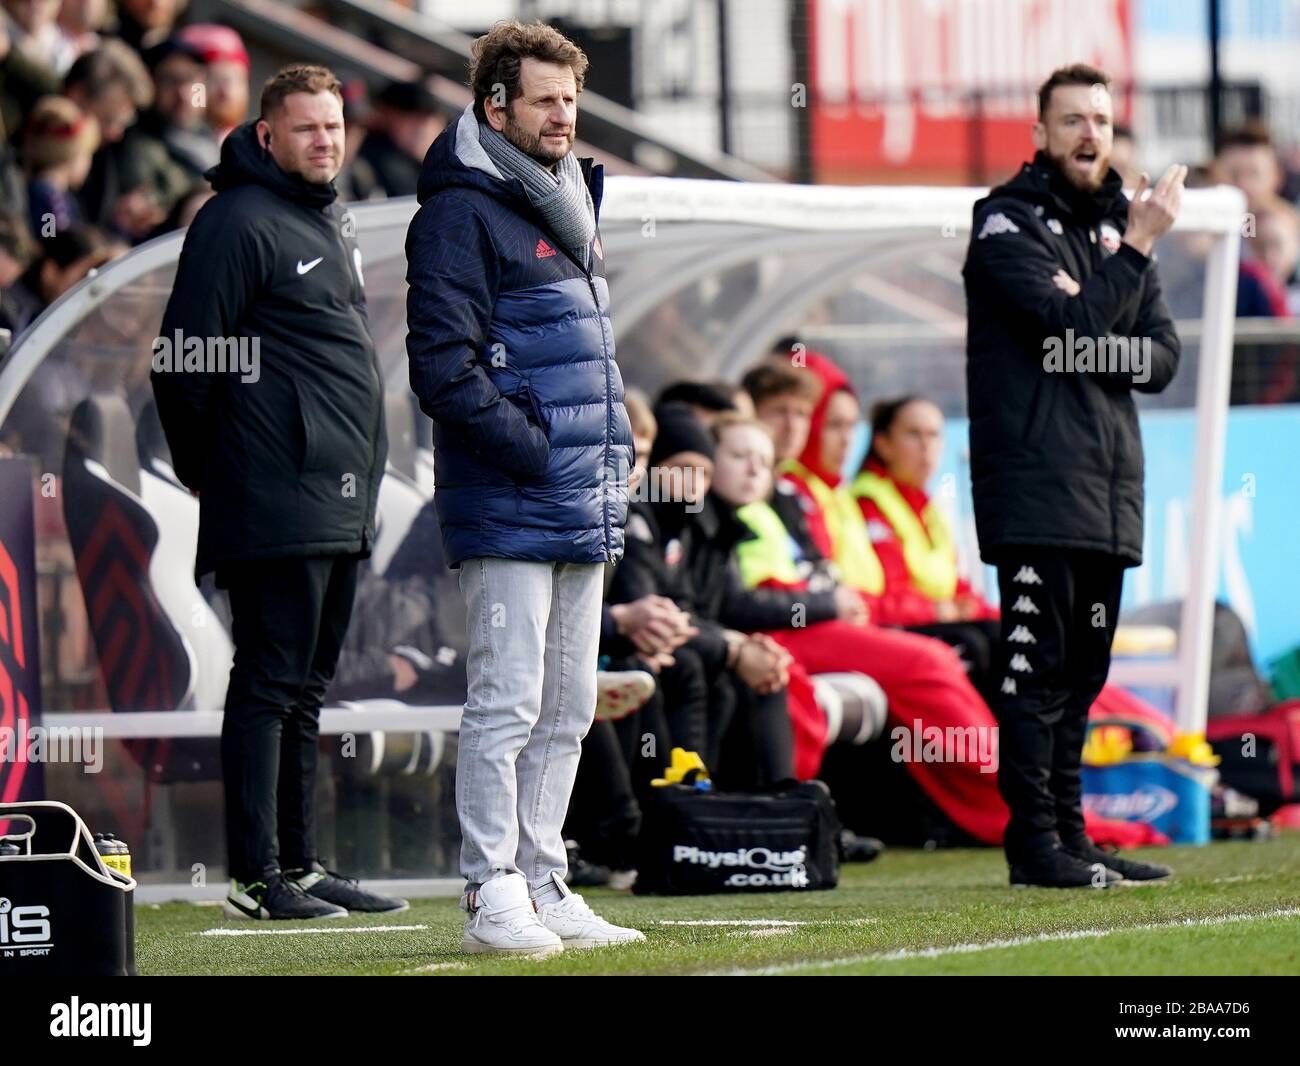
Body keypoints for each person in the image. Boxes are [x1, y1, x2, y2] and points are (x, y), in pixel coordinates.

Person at [405, 19, 642, 955]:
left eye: (571, 100)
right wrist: (538, 450)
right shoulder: (459, 212)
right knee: (504, 700)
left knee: (569, 706)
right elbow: (441, 368)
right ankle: (489, 888)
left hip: (581, 497)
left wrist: (605, 459)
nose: (563, 116)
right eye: (544, 99)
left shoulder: (568, 202)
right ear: (493, 105)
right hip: (510, 499)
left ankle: (546, 879)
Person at [151, 64, 399, 920]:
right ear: (267, 135)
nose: (324, 141)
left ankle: (302, 862)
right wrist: (210, 465)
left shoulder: (327, 218)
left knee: (305, 687)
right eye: (306, 129)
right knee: (269, 683)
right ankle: (256, 876)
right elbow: (183, 359)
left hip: (335, 494)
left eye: (333, 127)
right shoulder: (236, 220)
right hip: (273, 491)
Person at [963, 62, 1182, 888]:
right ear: (1041, 134)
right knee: (1036, 672)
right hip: (1034, 489)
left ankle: (1073, 838)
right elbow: (1068, 332)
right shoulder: (1003, 223)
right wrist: (1131, 258)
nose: (1091, 134)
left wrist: (1103, 314)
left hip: (1107, 488)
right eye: (1073, 121)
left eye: (1101, 119)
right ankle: (1034, 847)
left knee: (1083, 676)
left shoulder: (1116, 232)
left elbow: (1161, 356)